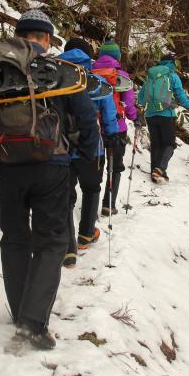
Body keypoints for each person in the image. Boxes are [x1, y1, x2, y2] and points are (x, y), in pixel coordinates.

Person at [0, 10, 99, 350]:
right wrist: (86, 161)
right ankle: (32, 322)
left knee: (14, 238)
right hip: (52, 166)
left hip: (8, 165)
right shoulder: (60, 71)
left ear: (19, 33)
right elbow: (86, 119)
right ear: (45, 38)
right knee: (52, 242)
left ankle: (19, 312)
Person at [57, 38, 119, 268]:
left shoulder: (54, 79)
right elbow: (109, 113)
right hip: (91, 147)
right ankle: (85, 233)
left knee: (66, 194)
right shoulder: (96, 81)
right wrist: (112, 135)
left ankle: (68, 248)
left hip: (61, 147)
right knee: (91, 188)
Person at [92, 39, 138, 215]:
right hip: (117, 128)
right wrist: (134, 117)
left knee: (96, 166)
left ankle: (91, 206)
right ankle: (108, 204)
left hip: (94, 127)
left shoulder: (90, 72)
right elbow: (128, 102)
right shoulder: (121, 75)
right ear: (117, 56)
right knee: (114, 167)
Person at [136, 52, 189, 183]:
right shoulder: (172, 76)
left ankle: (155, 174)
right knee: (169, 144)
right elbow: (180, 94)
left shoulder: (150, 77)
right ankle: (160, 169)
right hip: (166, 115)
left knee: (156, 144)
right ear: (172, 64)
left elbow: (140, 97)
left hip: (150, 115)